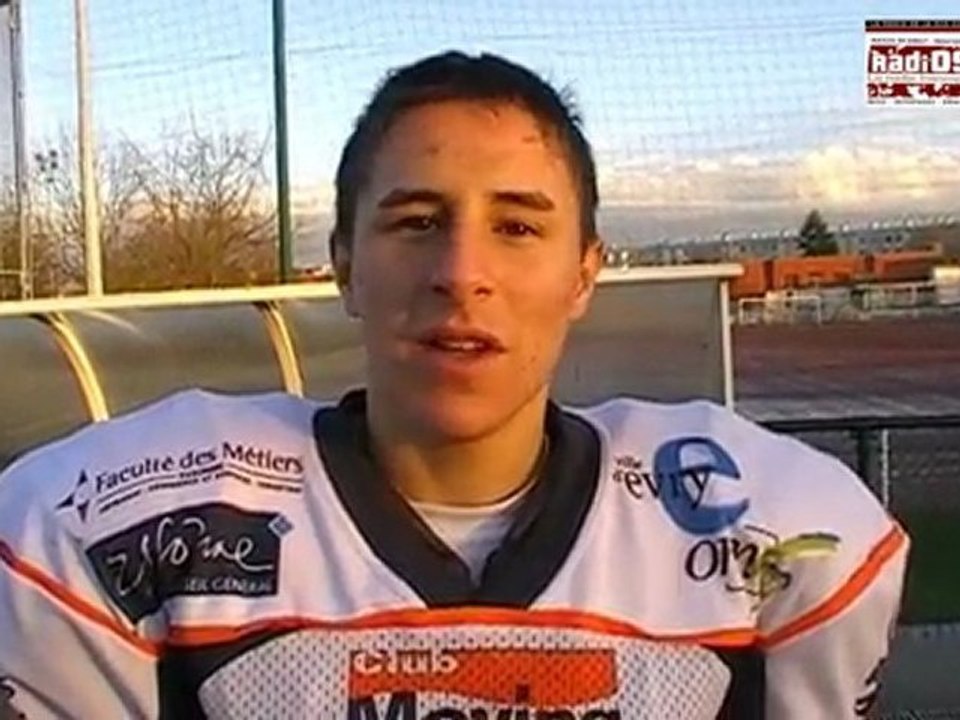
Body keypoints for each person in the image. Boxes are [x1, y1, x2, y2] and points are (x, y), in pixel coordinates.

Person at [0, 51, 907, 719]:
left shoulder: (778, 533)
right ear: (343, 268)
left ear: (584, 274)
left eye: (517, 227)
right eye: (417, 222)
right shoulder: (121, 519)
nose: (461, 273)